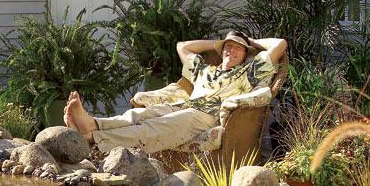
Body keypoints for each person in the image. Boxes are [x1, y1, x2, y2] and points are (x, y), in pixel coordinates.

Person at [64, 30, 287, 154]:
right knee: (140, 115)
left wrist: (250, 42)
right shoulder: (205, 69)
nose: (232, 50)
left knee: (155, 127)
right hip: (185, 106)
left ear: (245, 53)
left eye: (238, 48)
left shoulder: (247, 72)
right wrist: (217, 43)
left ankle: (92, 139)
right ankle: (92, 124)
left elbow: (280, 44)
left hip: (206, 116)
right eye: (228, 46)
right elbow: (183, 46)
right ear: (221, 51)